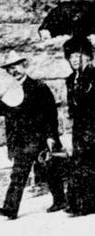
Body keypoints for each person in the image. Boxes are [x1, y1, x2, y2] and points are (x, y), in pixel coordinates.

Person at [0, 50, 66, 219]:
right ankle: (10, 208)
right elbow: (4, 116)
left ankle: (60, 200)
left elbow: (50, 113)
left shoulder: (38, 87)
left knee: (49, 170)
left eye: (16, 66)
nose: (13, 71)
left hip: (40, 138)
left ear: (24, 65)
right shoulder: (8, 92)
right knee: (18, 174)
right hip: (21, 141)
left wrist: (51, 137)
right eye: (9, 69)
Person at [63, 36, 95, 216]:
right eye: (71, 57)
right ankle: (78, 204)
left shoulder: (92, 77)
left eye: (79, 56)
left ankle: (87, 204)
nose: (75, 60)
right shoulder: (70, 80)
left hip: (93, 127)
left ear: (88, 57)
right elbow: (71, 107)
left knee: (89, 164)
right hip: (79, 129)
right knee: (79, 164)